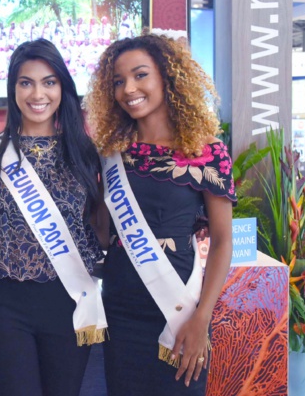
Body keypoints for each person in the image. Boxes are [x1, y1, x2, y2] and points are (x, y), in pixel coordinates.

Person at [83, 33, 235, 395]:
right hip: (121, 305)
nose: (128, 89)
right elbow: (104, 236)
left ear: (166, 77)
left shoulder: (207, 152)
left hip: (180, 308)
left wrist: (202, 317)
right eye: (118, 81)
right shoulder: (111, 154)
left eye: (140, 75)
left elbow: (222, 241)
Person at [0, 38, 108, 396]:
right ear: (13, 88)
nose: (37, 93)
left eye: (49, 81)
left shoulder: (84, 152)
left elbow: (97, 229)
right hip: (5, 305)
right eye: (26, 82)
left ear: (62, 87)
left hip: (69, 301)